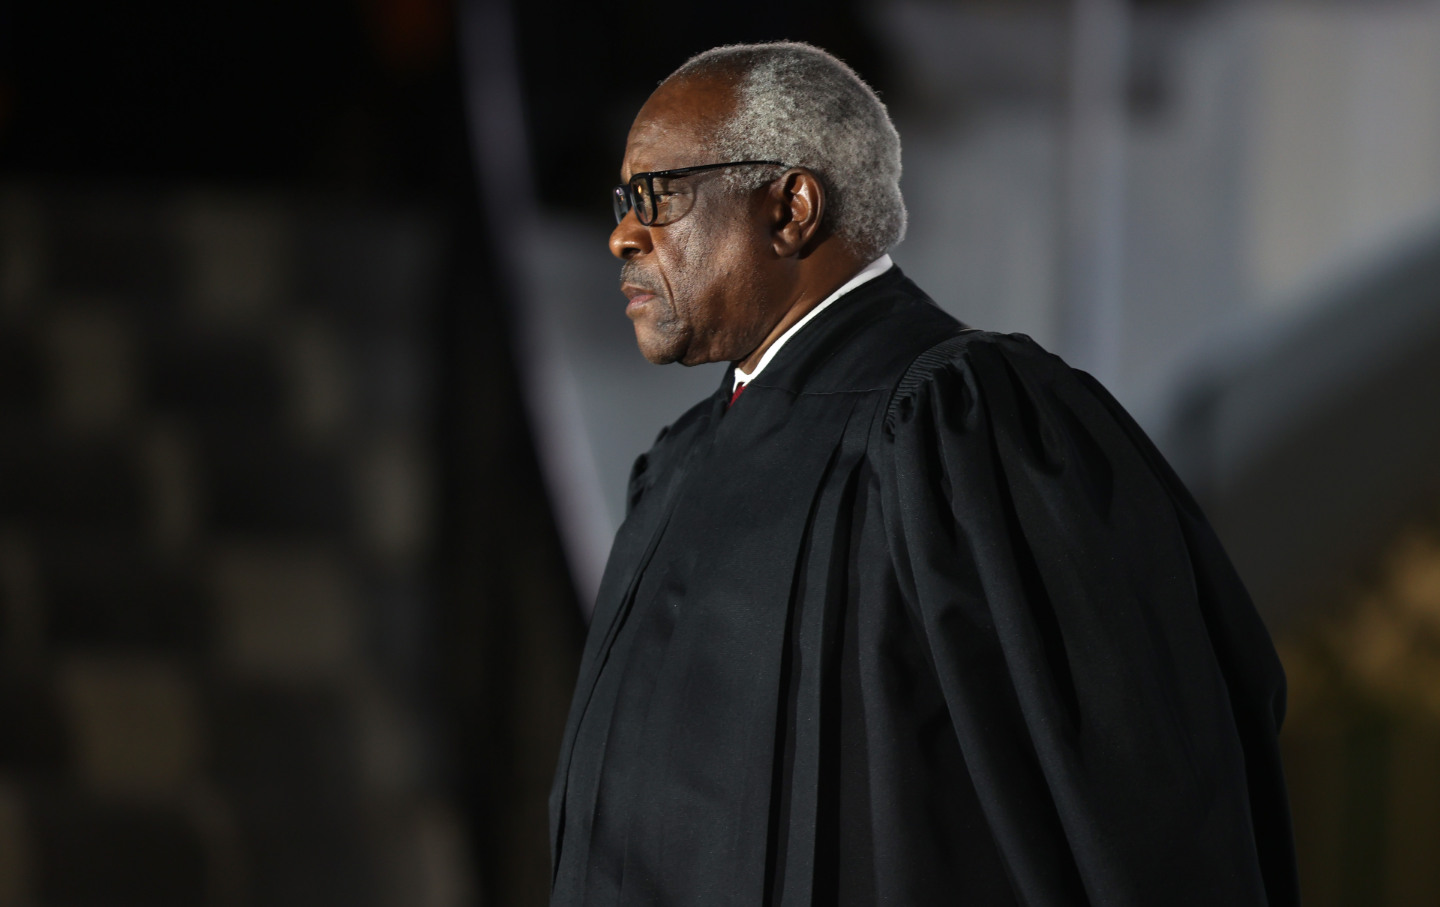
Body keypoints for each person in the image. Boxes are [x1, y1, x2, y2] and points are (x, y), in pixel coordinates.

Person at [549, 42, 1298, 906]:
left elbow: (1142, 802)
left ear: (791, 207)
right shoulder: (678, 466)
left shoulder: (967, 429)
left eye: (657, 196)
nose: (621, 233)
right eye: (621, 200)